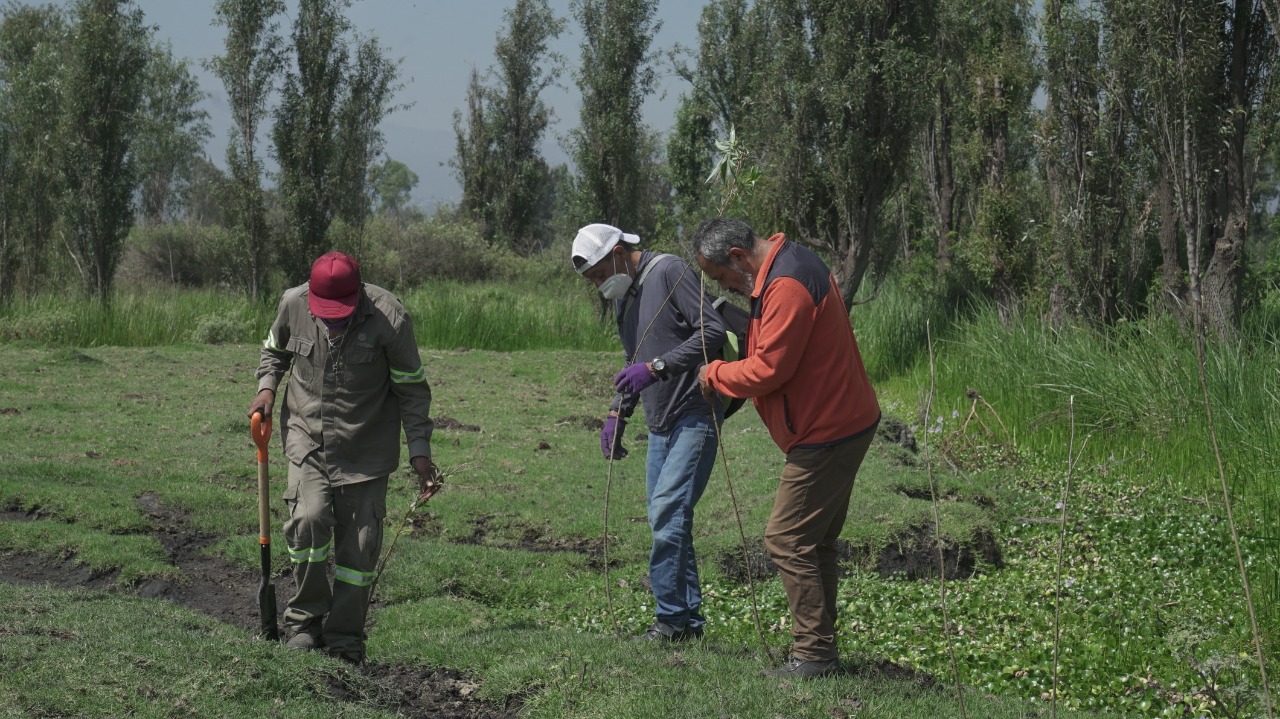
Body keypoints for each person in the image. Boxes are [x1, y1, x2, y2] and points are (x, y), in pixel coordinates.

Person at [692, 218, 880, 679]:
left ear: (738, 257)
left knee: (787, 538)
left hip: (828, 431)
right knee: (815, 542)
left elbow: (767, 370)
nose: (728, 287)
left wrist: (714, 374)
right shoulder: (788, 264)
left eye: (722, 278)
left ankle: (814, 655)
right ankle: (819, 647)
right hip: (843, 419)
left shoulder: (787, 284)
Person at [246, 251, 439, 664]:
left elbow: (411, 389)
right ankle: (304, 624)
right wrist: (266, 388)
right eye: (325, 314)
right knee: (308, 521)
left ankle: (346, 639)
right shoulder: (292, 303)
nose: (332, 323)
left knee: (359, 550)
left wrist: (419, 451)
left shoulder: (390, 318)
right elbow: (273, 352)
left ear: (358, 296)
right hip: (307, 440)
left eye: (341, 314)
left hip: (366, 449)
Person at [571, 223, 728, 643]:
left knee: (666, 514)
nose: (601, 285)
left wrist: (658, 368)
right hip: (659, 426)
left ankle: (670, 621)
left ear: (620, 251)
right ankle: (688, 625)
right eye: (594, 281)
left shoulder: (669, 271)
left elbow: (711, 331)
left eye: (602, 274)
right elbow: (633, 360)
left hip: (695, 413)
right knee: (671, 520)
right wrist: (616, 414)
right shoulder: (627, 300)